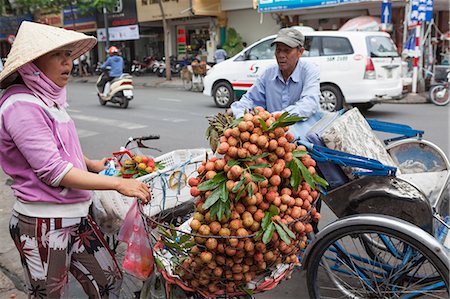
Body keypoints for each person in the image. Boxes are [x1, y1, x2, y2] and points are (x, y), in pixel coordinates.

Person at [0, 21, 151, 298]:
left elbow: (58, 148)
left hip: (77, 215)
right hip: (43, 223)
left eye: (69, 54)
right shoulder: (21, 104)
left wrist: (91, 163)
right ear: (33, 62)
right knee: (50, 295)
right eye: (57, 55)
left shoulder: (48, 98)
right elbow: (53, 170)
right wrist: (117, 184)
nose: (67, 62)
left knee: (108, 280)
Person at [229, 27, 321, 136]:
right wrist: (238, 112)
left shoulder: (309, 71)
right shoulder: (268, 73)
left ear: (300, 52)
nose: (281, 55)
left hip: (302, 137)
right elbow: (250, 99)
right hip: (273, 137)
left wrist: (277, 117)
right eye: (278, 50)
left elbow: (309, 103)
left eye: (287, 50)